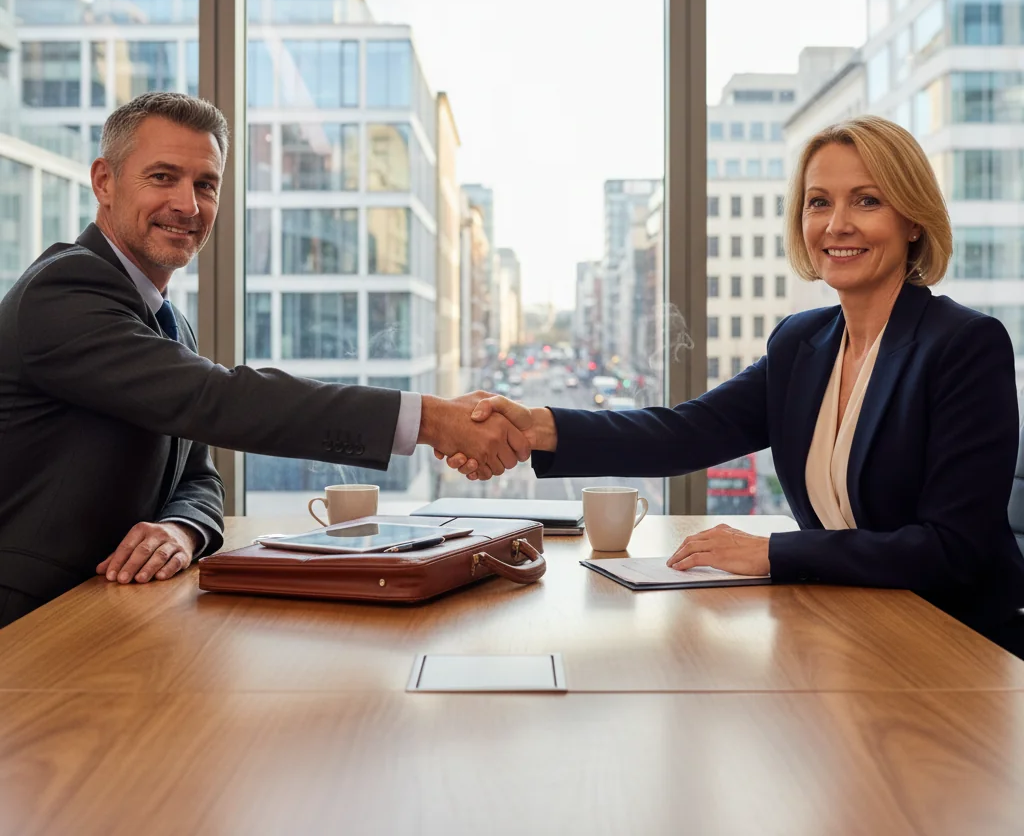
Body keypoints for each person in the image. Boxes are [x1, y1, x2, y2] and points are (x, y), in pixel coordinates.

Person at [443, 116, 1024, 658]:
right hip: (845, 632)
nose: (836, 224)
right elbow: (683, 434)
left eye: (867, 201)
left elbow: (953, 551)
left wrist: (770, 552)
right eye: (818, 202)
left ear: (913, 218)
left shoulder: (964, 345)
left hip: (954, 646)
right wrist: (535, 425)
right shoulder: (801, 344)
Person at [0, 92, 527, 627]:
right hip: (26, 630)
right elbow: (220, 400)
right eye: (163, 177)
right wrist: (434, 420)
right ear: (104, 182)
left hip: (113, 619)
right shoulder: (63, 292)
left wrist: (182, 529)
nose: (188, 205)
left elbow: (199, 480)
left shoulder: (166, 322)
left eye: (206, 184)